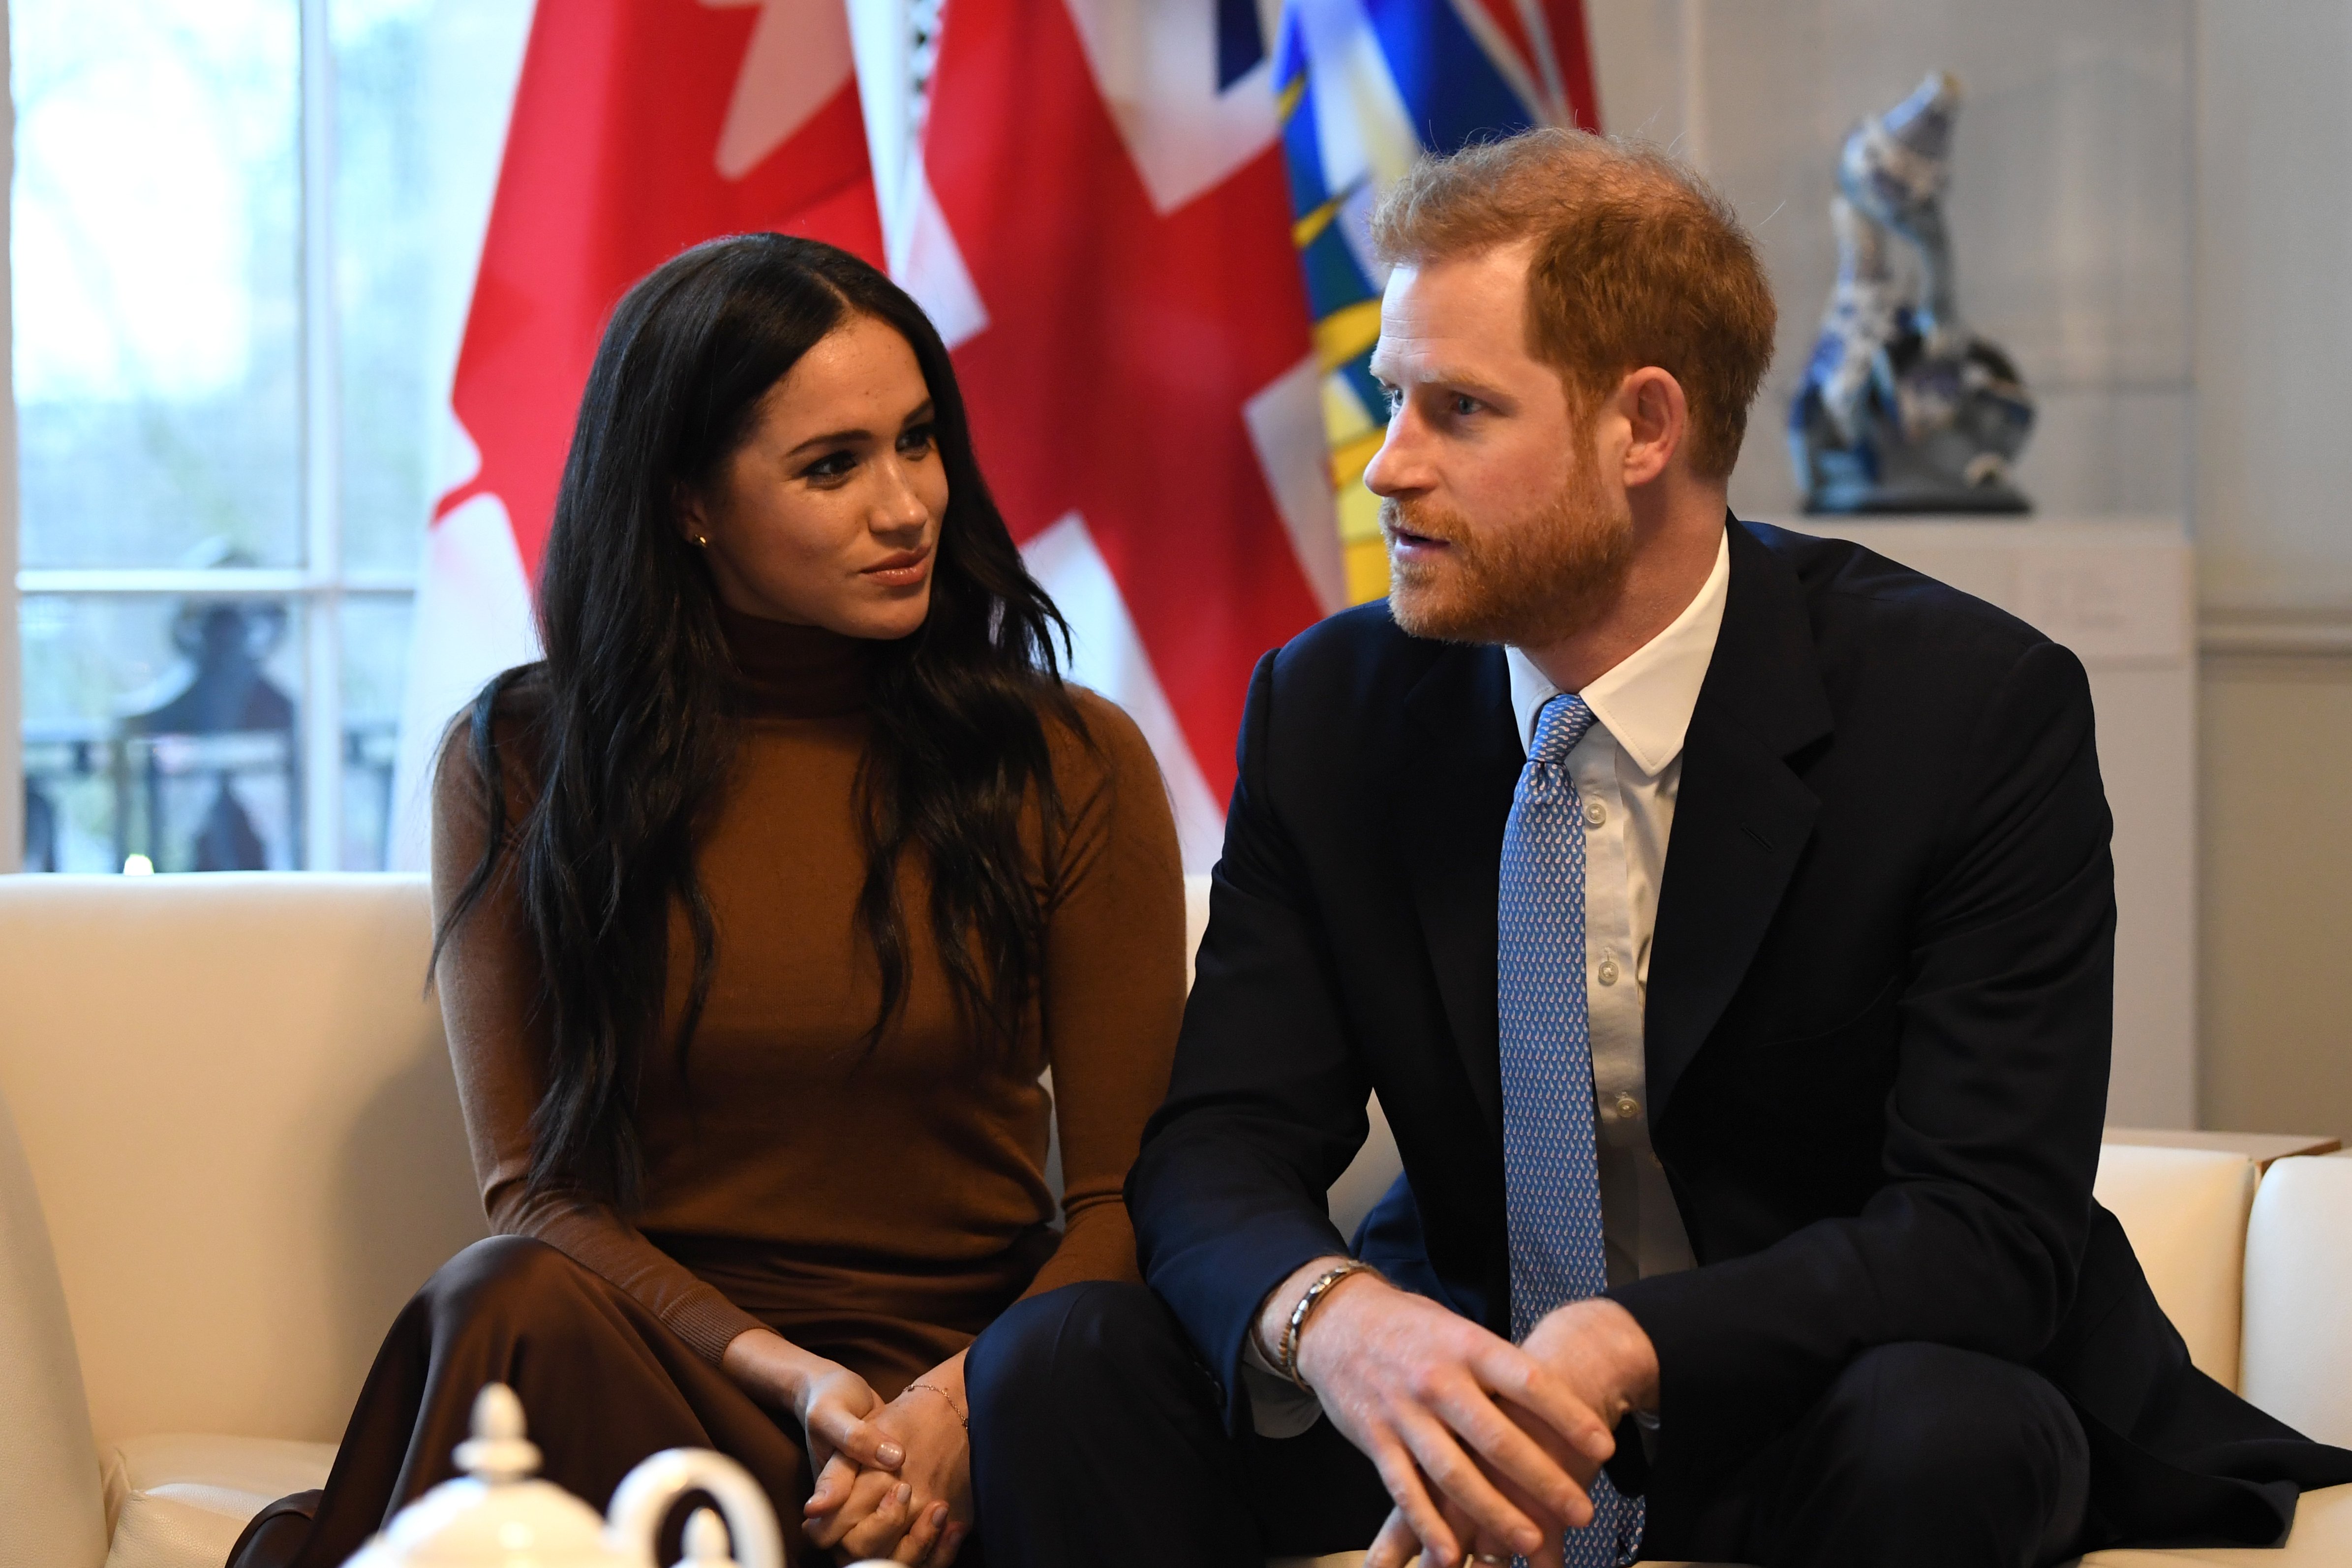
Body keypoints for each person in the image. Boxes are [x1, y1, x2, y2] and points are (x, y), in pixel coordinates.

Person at [966, 129, 2352, 1568]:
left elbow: (1987, 1226)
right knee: (1057, 1366)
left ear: (1644, 427)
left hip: (1815, 1392)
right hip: (1452, 1394)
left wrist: (1628, 1342)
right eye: (1392, 399)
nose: (1387, 468)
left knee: (1945, 1434)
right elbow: (1217, 1148)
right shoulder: (1334, 707)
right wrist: (1342, 1323)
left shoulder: (1968, 710)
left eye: (1459, 410)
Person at [224, 234, 1183, 1568]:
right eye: (833, 465)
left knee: (1084, 1361)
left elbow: (1127, 1196)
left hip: (976, 1378)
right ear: (689, 501)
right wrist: (797, 1382)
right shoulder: (518, 758)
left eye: (918, 440)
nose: (906, 506)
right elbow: (539, 1194)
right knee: (509, 1296)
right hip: (677, 1365)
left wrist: (950, 1408)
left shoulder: (1068, 756)